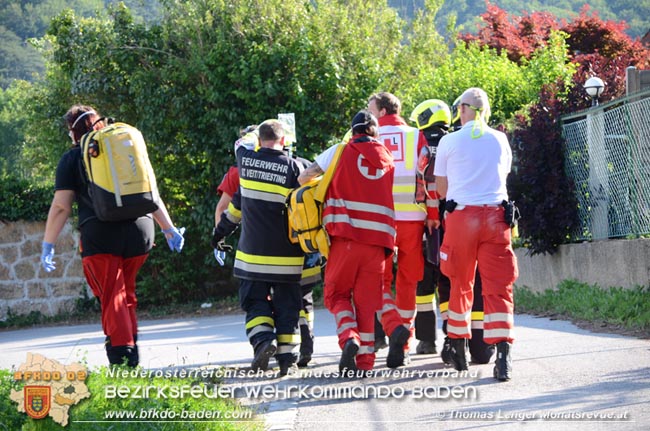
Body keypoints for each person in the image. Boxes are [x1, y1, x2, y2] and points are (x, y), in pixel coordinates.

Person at [40, 105, 185, 367]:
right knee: (125, 293)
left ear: (72, 132)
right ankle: (131, 350)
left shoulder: (73, 158)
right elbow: (151, 193)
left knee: (112, 296)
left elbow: (61, 206)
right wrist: (168, 228)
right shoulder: (122, 147)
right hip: (141, 233)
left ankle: (122, 358)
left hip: (101, 235)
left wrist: (48, 243)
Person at [213, 124, 320, 368]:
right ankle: (286, 359)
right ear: (283, 140)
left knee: (254, 302)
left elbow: (233, 210)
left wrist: (218, 236)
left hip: (252, 258)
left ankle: (262, 341)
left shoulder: (246, 162)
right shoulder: (296, 167)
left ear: (259, 140)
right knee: (288, 307)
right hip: (288, 259)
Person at [298, 110, 395, 375]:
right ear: (375, 132)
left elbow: (304, 178)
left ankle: (348, 338)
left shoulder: (339, 151)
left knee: (336, 295)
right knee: (367, 303)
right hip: (378, 244)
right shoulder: (387, 157)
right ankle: (364, 363)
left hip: (346, 239)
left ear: (353, 131)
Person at [433, 88, 518, 381]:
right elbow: (502, 176)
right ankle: (503, 358)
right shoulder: (500, 139)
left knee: (460, 283)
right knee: (499, 288)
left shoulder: (448, 141)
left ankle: (460, 351)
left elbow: (441, 190)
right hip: (497, 217)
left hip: (462, 219)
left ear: (463, 110)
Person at [367, 92, 440, 368]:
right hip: (412, 218)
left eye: (371, 108)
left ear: (383, 110)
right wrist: (432, 214)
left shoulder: (367, 137)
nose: (368, 112)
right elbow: (427, 178)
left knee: (379, 279)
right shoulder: (415, 135)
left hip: (379, 220)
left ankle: (392, 326)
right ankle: (405, 342)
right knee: (409, 279)